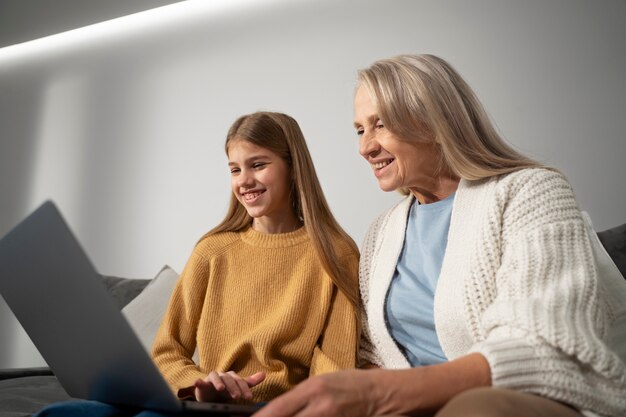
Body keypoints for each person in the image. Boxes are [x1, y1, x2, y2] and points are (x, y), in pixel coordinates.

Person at [255, 55, 626, 417]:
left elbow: (543, 344)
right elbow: (371, 354)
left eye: (380, 124)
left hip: (520, 400)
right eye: (359, 129)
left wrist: (384, 394)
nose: (365, 147)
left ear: (433, 123)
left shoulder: (531, 190)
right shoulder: (381, 234)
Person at [35, 111, 360, 416]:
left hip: (268, 409)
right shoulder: (212, 251)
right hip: (202, 405)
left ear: (293, 167)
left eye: (258, 165)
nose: (244, 180)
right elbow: (167, 352)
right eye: (235, 169)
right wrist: (200, 386)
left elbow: (334, 369)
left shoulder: (335, 253)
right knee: (60, 413)